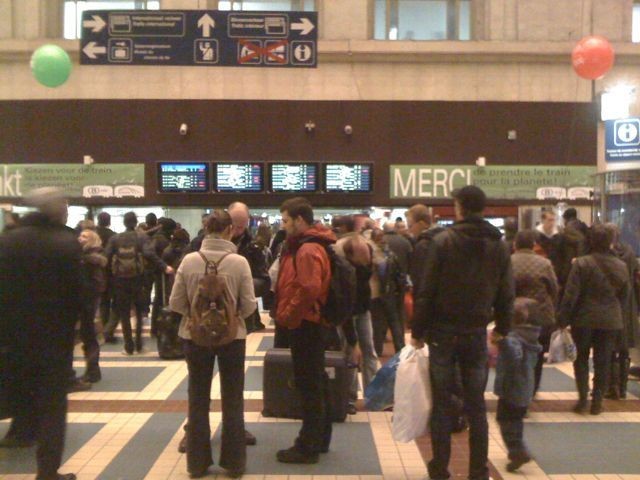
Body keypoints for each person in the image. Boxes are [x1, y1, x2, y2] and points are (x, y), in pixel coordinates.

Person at [412, 185, 514, 480]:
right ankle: (478, 471)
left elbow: (426, 292)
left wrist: (418, 330)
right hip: (475, 332)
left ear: (459, 207)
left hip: (443, 332)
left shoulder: (443, 242)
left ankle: (440, 468)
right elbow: (507, 293)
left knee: (442, 404)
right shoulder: (498, 245)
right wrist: (502, 329)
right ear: (482, 208)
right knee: (476, 405)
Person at [0, 187, 82, 480]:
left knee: (19, 390)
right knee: (52, 407)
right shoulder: (66, 243)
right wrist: (82, 332)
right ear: (56, 210)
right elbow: (78, 295)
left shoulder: (9, 240)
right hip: (54, 341)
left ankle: (20, 431)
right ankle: (47, 470)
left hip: (13, 338)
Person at [170, 210, 256, 478]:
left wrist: (196, 318)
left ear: (205, 229)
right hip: (233, 339)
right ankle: (234, 463)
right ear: (230, 230)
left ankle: (196, 463)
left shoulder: (189, 261)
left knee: (197, 397)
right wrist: (233, 319)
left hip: (195, 338)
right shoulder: (239, 262)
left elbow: (176, 303)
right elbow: (250, 305)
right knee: (233, 398)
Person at [274, 197, 336, 464]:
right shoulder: (311, 245)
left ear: (300, 220)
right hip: (312, 322)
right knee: (316, 380)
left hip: (307, 323)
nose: (283, 225)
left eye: (286, 220)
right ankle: (320, 437)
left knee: (308, 384)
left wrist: (288, 314)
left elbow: (309, 287)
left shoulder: (308, 249)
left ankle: (307, 445)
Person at [557, 224, 630, 415]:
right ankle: (597, 401)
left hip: (584, 318)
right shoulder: (621, 266)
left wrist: (563, 318)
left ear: (591, 240)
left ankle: (582, 399)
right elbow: (625, 295)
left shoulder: (581, 263)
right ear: (611, 242)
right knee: (603, 360)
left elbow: (571, 294)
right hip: (610, 320)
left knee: (580, 358)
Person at [104, 212, 173, 354]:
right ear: (135, 222)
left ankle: (128, 347)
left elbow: (106, 256)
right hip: (138, 279)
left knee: (124, 314)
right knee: (139, 312)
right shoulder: (141, 237)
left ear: (124, 223)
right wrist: (165, 267)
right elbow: (149, 254)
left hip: (120, 280)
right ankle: (139, 345)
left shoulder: (115, 239)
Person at [494, 298, 542, 472]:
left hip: (511, 387)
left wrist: (501, 340)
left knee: (506, 420)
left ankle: (517, 451)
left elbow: (513, 355)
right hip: (525, 387)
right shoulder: (532, 337)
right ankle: (517, 447)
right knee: (515, 421)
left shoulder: (514, 338)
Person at [511, 230, 559, 395]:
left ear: (515, 244)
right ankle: (532, 388)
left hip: (515, 316)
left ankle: (517, 389)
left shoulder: (508, 262)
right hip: (540, 316)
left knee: (514, 352)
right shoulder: (544, 264)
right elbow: (554, 289)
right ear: (533, 245)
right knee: (537, 354)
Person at [604, 223, 640, 399]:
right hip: (628, 304)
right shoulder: (630, 253)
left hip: (609, 304)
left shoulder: (605, 257)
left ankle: (610, 386)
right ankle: (623, 388)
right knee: (624, 348)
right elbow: (634, 278)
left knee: (608, 347)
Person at [228, 202, 270, 332]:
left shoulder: (253, 247)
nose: (235, 231)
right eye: (233, 225)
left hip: (241, 314)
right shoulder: (202, 243)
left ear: (247, 223)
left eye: (240, 227)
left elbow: (264, 282)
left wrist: (242, 286)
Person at [75, 229, 107, 383]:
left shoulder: (90, 260)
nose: (80, 238)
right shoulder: (87, 258)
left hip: (88, 300)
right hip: (87, 300)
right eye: (80, 235)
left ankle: (93, 370)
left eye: (85, 236)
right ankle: (92, 369)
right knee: (87, 335)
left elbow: (97, 283)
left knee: (88, 335)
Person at [150, 217, 177, 336]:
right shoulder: (162, 240)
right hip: (162, 272)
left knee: (158, 299)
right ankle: (158, 328)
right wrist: (164, 266)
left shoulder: (156, 237)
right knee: (161, 299)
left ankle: (155, 328)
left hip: (157, 272)